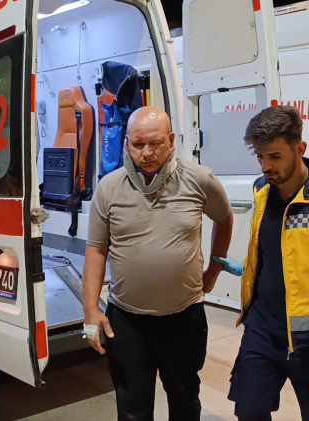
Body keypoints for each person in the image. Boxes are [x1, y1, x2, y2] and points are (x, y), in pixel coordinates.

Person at [215, 106, 309, 421]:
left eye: (275, 156)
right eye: (260, 157)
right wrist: (247, 269)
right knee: (249, 411)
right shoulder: (261, 189)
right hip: (262, 329)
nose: (266, 166)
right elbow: (274, 248)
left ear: (300, 149)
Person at [82, 106, 234, 421]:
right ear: (126, 143)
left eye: (155, 143)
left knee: (185, 403)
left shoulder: (199, 179)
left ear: (171, 140)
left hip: (183, 318)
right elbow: (96, 250)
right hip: (128, 321)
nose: (147, 153)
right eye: (138, 145)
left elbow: (224, 218)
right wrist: (91, 311)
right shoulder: (109, 187)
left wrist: (215, 269)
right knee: (132, 410)